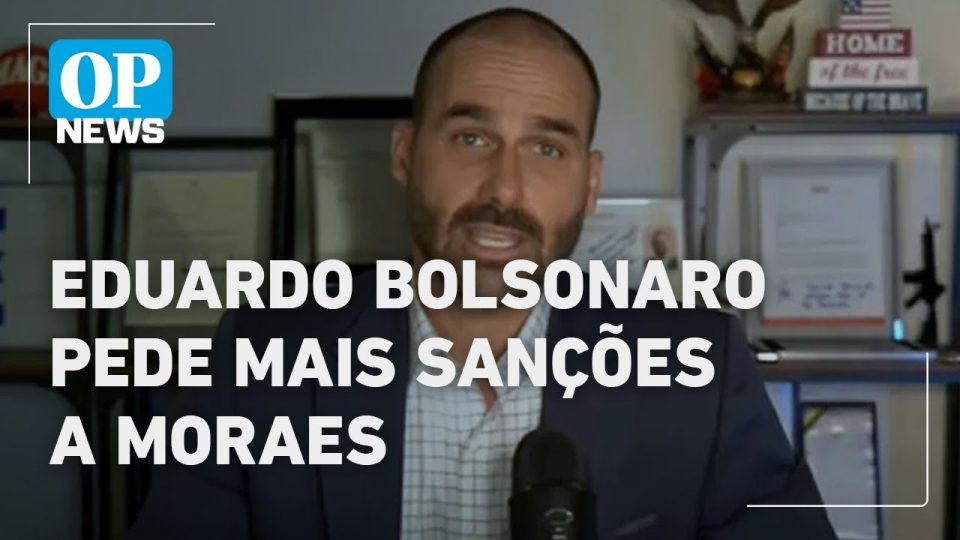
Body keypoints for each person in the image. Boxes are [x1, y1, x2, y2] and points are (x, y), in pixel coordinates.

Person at [128, 7, 837, 540]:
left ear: (589, 183)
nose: (504, 187)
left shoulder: (700, 369)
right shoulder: (259, 356)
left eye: (546, 149)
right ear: (405, 155)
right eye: (471, 138)